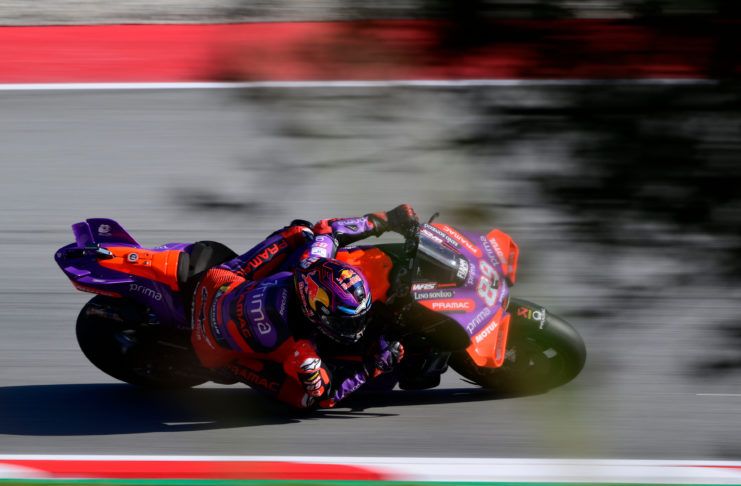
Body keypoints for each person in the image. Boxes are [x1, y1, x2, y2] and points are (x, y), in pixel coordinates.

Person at [190, 204, 418, 409]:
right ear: (316, 311)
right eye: (345, 322)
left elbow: (327, 229)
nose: (358, 328)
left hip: (216, 282)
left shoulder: (311, 263)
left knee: (301, 232)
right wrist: (372, 368)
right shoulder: (303, 352)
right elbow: (327, 396)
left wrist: (387, 219)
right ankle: (230, 367)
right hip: (213, 349)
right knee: (304, 399)